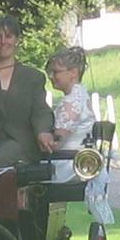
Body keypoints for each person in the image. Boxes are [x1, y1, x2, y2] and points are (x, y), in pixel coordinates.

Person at [0, 15, 55, 168]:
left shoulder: (33, 77)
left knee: (1, 159)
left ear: (17, 40)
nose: (3, 42)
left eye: (8, 36)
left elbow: (40, 110)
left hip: (21, 143)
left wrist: (43, 131)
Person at [44, 46, 97, 182]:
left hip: (69, 163)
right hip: (79, 159)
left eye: (55, 72)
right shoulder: (81, 94)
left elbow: (56, 144)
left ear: (73, 72)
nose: (51, 76)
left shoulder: (72, 102)